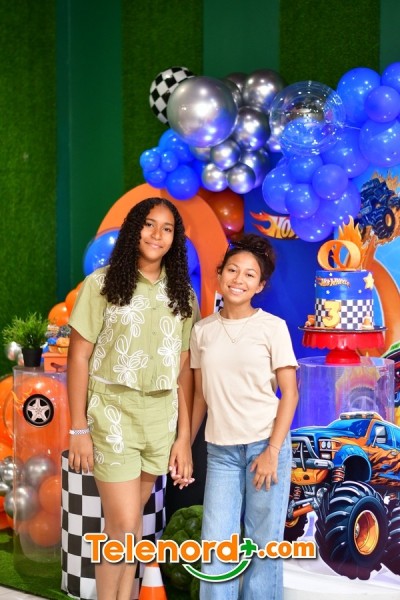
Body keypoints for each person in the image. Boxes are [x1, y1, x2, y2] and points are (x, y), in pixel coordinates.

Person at [67, 197, 199, 600]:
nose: (157, 235)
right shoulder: (101, 284)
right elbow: (78, 357)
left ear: (175, 239)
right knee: (123, 527)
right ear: (133, 229)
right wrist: (78, 428)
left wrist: (183, 438)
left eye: (167, 228)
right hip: (112, 413)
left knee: (131, 528)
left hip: (160, 419)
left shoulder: (183, 294)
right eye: (149, 224)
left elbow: (182, 372)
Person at [190, 233, 299, 600]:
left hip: (265, 447)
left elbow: (290, 393)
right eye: (233, 270)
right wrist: (184, 445)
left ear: (260, 285)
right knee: (216, 548)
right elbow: (201, 397)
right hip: (220, 452)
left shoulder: (272, 328)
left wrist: (272, 451)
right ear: (220, 273)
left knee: (263, 547)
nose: (239, 279)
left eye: (250, 275)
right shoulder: (202, 331)